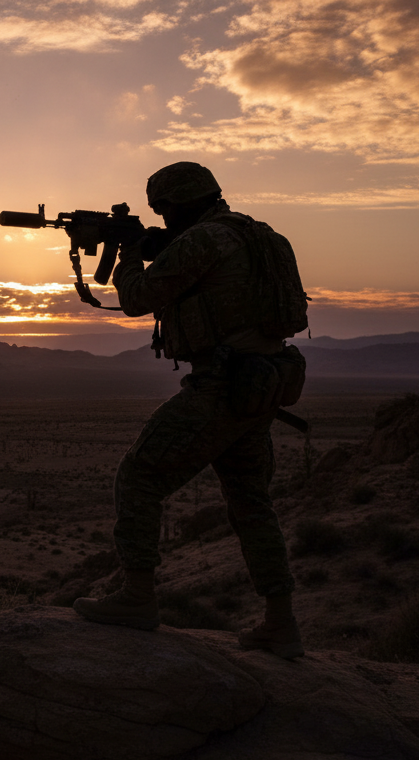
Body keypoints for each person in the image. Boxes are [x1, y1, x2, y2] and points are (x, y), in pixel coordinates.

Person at [72, 161, 309, 659]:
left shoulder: (202, 241)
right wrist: (152, 245)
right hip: (262, 385)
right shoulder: (264, 237)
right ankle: (280, 623)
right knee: (251, 503)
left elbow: (136, 299)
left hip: (222, 386)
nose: (162, 217)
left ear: (176, 202)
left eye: (163, 209)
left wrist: (129, 254)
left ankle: (137, 596)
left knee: (139, 476)